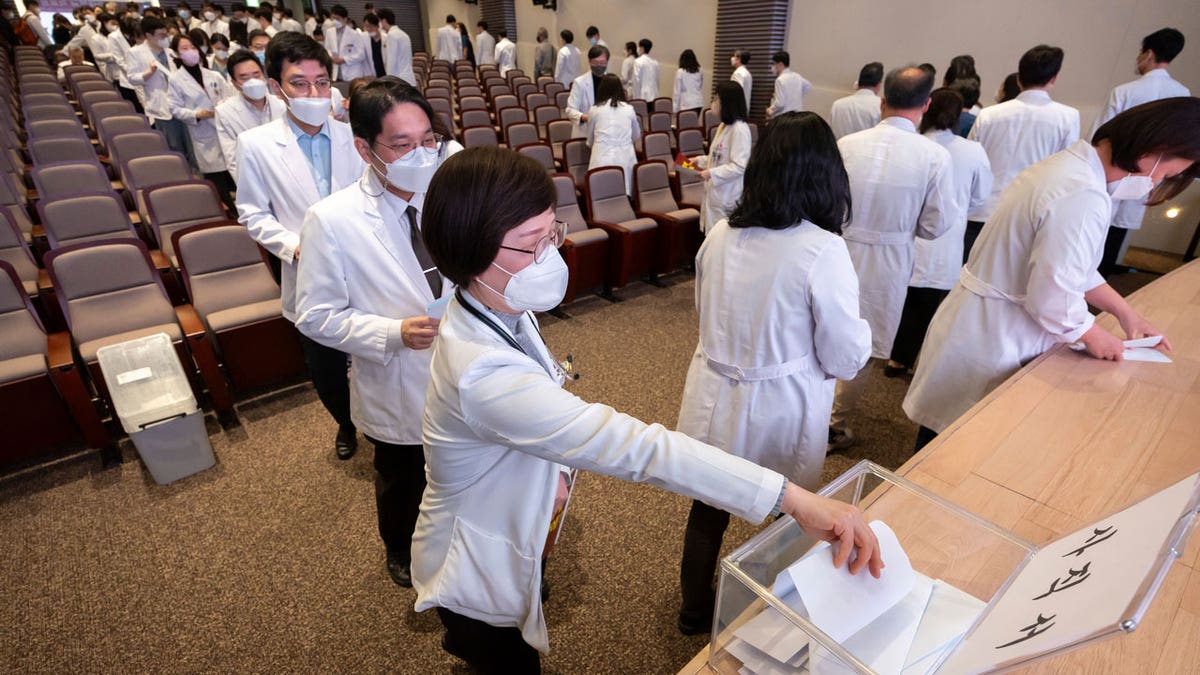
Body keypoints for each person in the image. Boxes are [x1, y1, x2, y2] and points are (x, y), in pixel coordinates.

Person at [413, 144, 883, 671]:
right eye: (531, 245)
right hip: (474, 554)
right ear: (473, 253)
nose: (551, 254)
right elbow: (638, 449)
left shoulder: (494, 302)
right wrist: (791, 499)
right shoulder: (482, 372)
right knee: (505, 657)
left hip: (512, 513)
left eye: (553, 234)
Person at [904, 98, 1197, 451]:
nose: (1159, 183)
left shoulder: (1070, 169)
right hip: (995, 334)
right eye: (1167, 175)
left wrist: (1126, 313)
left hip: (983, 323)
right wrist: (1092, 333)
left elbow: (1076, 270)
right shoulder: (1081, 192)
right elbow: (1053, 294)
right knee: (949, 452)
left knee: (946, 439)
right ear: (1158, 150)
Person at [675, 111, 872, 635]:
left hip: (715, 392)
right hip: (781, 402)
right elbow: (845, 356)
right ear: (826, 176)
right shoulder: (821, 248)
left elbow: (705, 311)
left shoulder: (720, 233)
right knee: (795, 514)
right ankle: (776, 619)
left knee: (709, 505)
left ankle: (694, 609)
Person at [295, 77, 462, 588]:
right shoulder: (332, 220)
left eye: (428, 139)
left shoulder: (449, 194)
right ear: (365, 148)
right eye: (404, 145)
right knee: (404, 478)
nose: (421, 153)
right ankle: (401, 549)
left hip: (465, 363)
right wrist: (391, 332)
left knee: (466, 465)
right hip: (398, 376)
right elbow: (315, 314)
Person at [236, 32, 367, 460]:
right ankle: (346, 425)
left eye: (322, 82)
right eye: (299, 83)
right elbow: (253, 213)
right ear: (277, 87)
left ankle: (384, 423)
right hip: (307, 270)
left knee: (379, 353)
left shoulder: (354, 137)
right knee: (326, 368)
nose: (314, 93)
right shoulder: (256, 145)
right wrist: (295, 246)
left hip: (365, 265)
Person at [829, 66, 954, 450]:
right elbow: (936, 226)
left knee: (823, 328)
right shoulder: (935, 156)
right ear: (927, 104)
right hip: (889, 259)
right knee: (863, 345)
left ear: (882, 99)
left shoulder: (847, 144)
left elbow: (826, 202)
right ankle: (833, 424)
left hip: (838, 248)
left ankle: (809, 411)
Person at [886, 88, 991, 378]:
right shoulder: (972, 151)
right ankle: (920, 363)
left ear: (926, 108)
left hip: (905, 233)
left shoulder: (911, 144)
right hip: (948, 237)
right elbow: (981, 197)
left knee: (901, 299)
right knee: (933, 306)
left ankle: (892, 355)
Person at [1091, 28, 1189, 277]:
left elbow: (1099, 136)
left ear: (1148, 54)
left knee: (1096, 229)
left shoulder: (1125, 91)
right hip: (1151, 176)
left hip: (1112, 171)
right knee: (1118, 232)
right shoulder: (1182, 95)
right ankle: (1105, 281)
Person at [969, 45, 1079, 239]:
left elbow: (971, 164)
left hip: (981, 210)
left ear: (1018, 77)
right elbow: (1064, 170)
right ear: (1054, 78)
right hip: (1028, 214)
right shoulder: (1067, 118)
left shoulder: (988, 115)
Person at [167, 32, 236, 211]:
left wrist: (224, 107)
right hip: (202, 130)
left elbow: (230, 96)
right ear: (176, 53)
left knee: (234, 169)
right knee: (216, 175)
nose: (190, 51)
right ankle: (230, 213)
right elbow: (174, 108)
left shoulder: (213, 75)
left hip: (223, 127)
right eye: (184, 48)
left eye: (193, 47)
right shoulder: (176, 80)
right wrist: (196, 114)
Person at [129, 17, 197, 168]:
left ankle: (196, 171)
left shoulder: (171, 52)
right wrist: (148, 73)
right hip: (161, 104)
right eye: (161, 35)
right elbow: (132, 78)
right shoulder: (136, 52)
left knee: (191, 143)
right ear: (148, 36)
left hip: (182, 102)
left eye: (166, 34)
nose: (165, 38)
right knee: (174, 145)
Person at [692, 81, 752, 234]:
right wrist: (699, 160)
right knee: (710, 237)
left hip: (727, 196)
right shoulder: (724, 126)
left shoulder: (740, 129)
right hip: (715, 194)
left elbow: (739, 166)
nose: (714, 102)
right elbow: (717, 157)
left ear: (727, 102)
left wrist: (711, 173)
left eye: (717, 99)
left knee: (720, 238)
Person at [215, 48, 283, 180]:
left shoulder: (282, 104)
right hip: (255, 179)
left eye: (257, 75)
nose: (253, 81)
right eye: (244, 77)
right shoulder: (225, 113)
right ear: (235, 84)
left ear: (264, 75)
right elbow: (233, 161)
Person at [586, 73, 640, 195]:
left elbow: (590, 138)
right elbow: (636, 135)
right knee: (623, 195)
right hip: (625, 158)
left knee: (601, 197)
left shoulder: (595, 109)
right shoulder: (629, 109)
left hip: (601, 156)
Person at [564, 45, 608, 139]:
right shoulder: (580, 83)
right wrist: (586, 117)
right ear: (589, 62)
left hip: (605, 133)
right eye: (595, 62)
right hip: (585, 132)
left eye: (602, 62)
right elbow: (570, 110)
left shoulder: (611, 81)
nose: (599, 65)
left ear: (607, 62)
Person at [830, 61, 883, 138]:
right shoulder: (881, 107)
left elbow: (830, 133)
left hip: (839, 148)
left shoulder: (837, 105)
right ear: (879, 84)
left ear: (858, 82)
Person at [326, 5, 369, 81]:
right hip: (336, 72)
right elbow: (327, 48)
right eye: (333, 18)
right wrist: (330, 57)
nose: (334, 21)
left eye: (337, 18)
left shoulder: (354, 34)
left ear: (345, 19)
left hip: (352, 73)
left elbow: (361, 55)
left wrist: (344, 60)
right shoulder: (329, 32)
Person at [766, 50, 810, 118]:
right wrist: (797, 96)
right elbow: (808, 86)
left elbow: (780, 104)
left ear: (780, 64)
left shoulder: (780, 80)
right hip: (797, 115)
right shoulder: (796, 76)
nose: (773, 67)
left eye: (774, 64)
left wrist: (770, 110)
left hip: (784, 117)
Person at [377, 8, 415, 87]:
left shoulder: (391, 35)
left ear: (383, 21)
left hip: (399, 81)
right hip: (409, 78)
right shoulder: (404, 34)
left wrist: (389, 82)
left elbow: (391, 61)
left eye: (379, 21)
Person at [673, 49, 703, 114]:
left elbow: (677, 92)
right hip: (698, 102)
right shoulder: (700, 70)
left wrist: (675, 109)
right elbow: (700, 86)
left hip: (687, 104)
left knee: (685, 123)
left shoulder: (680, 72)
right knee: (693, 122)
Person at [363, 13, 385, 77]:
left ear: (377, 26)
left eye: (370, 26)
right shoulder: (363, 37)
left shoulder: (386, 38)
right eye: (366, 26)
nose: (368, 29)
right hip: (371, 73)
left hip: (384, 71)